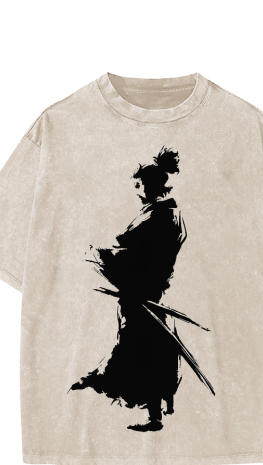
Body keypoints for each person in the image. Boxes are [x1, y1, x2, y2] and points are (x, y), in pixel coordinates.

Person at [69, 146, 187, 431]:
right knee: (146, 346)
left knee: (145, 348)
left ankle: (151, 413)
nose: (136, 189)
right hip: (144, 292)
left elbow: (135, 251)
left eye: (139, 184)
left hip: (144, 293)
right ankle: (149, 405)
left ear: (151, 185)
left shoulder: (160, 216)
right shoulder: (164, 213)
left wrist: (99, 255)